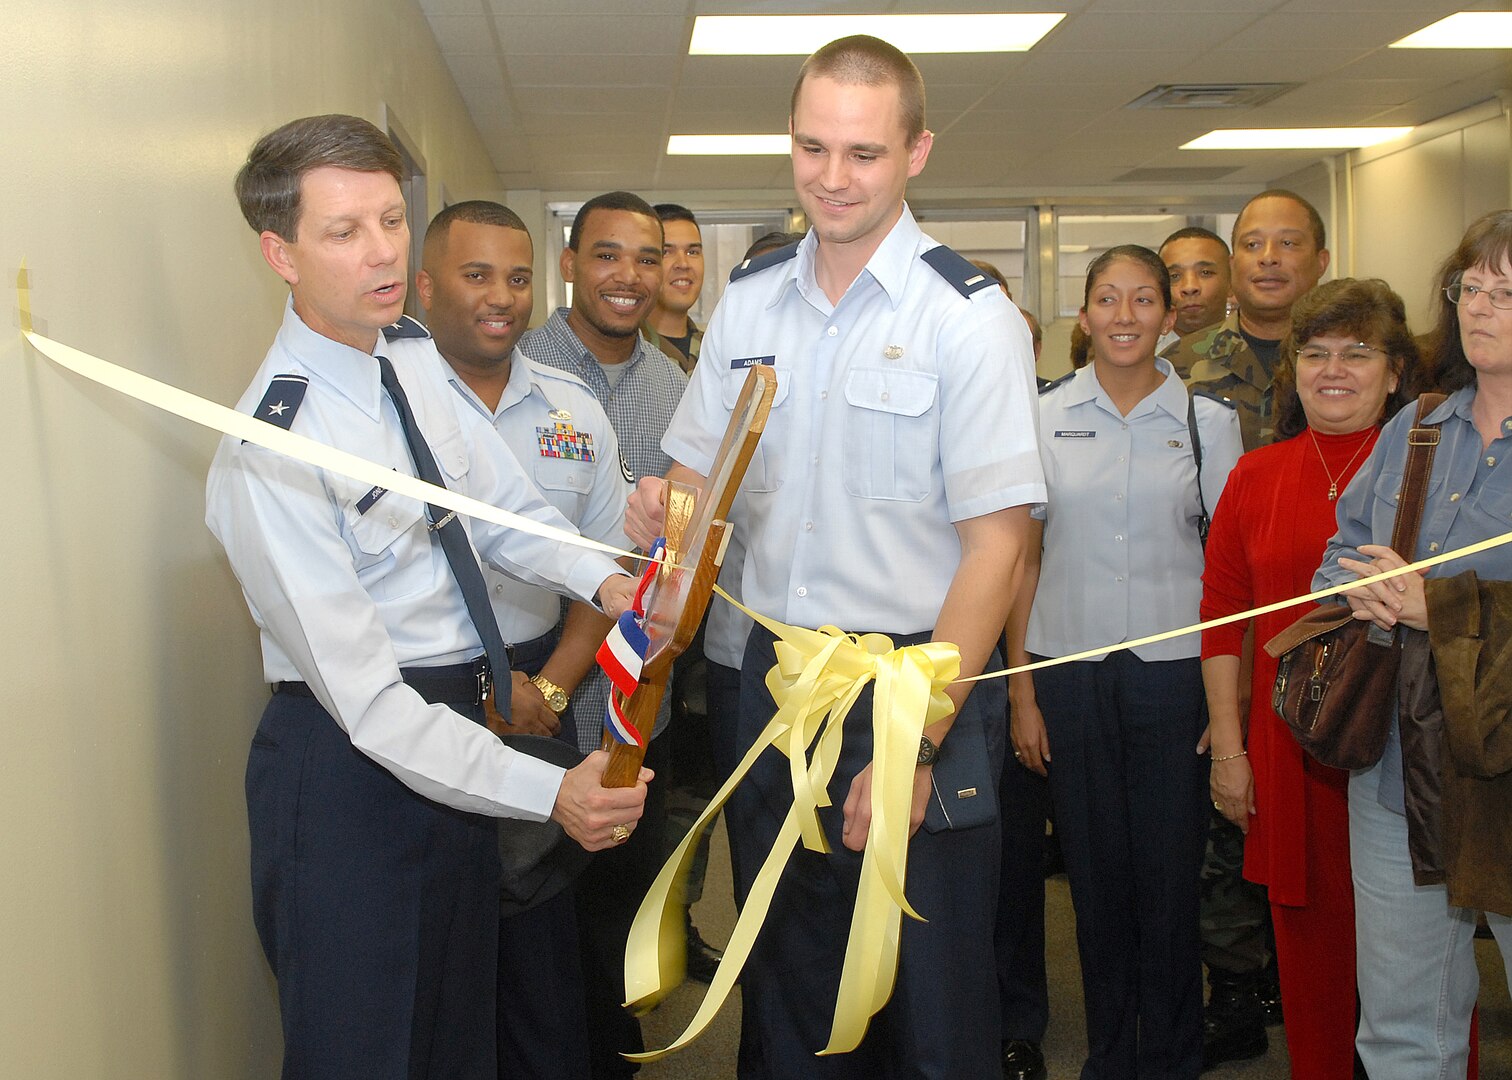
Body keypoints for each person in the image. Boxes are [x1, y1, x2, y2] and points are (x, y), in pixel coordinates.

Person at [627, 34, 1044, 1079]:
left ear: (916, 153)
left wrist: (919, 739)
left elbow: (1000, 543)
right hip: (762, 683)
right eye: (813, 147)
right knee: (787, 979)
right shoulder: (751, 298)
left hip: (912, 684)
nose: (832, 176)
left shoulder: (967, 318)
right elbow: (694, 477)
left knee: (932, 995)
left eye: (862, 152)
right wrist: (661, 508)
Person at [205, 114, 648, 1080]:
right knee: (369, 1051)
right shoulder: (271, 447)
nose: (383, 252)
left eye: (391, 220)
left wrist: (608, 579)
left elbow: (497, 508)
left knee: (456, 1042)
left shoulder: (406, 357)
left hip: (456, 744)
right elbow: (365, 702)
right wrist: (551, 790)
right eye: (344, 231)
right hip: (350, 774)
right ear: (280, 253)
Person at [387, 198, 636, 1080]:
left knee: (538, 940)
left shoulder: (574, 413)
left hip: (544, 682)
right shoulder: (380, 408)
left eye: (519, 277)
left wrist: (556, 687)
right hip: (415, 694)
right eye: (477, 274)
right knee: (429, 946)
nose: (502, 297)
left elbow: (598, 566)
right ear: (425, 285)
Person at [1008, 244, 1242, 1079]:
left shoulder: (1208, 424)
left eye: (1144, 300)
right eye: (1107, 299)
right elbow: (1020, 561)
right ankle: (1110, 1052)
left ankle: (1173, 1055)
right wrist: (1021, 692)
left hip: (1173, 674)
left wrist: (1227, 713)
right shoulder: (1042, 415)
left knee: (1171, 877)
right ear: (1084, 314)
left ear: (1169, 316)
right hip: (1068, 671)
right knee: (1097, 878)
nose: (1125, 316)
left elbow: (1229, 573)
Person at [1200, 278, 1416, 1079]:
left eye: (1357, 354)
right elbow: (1222, 616)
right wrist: (1229, 747)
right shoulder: (1255, 476)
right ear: (1292, 369)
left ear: (1395, 372)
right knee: (1313, 962)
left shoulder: (1429, 464)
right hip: (1290, 745)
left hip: (1403, 745)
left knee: (1420, 972)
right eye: (1316, 353)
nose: (1334, 370)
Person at [1316, 209, 1512, 1078]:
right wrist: (1360, 588)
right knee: (1401, 1030)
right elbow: (1337, 555)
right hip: (1404, 761)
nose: (1481, 307)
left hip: (1506, 763)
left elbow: (1450, 605)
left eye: (1507, 291)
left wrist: (1445, 607)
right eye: (1471, 287)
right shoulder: (1417, 426)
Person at [519, 190, 689, 1078]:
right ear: (571, 264)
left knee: (619, 911)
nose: (629, 276)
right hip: (530, 693)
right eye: (608, 255)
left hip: (633, 707)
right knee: (533, 920)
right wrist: (546, 681)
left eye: (647, 258)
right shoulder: (513, 363)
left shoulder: (674, 387)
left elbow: (691, 542)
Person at [1171, 190, 1331, 451]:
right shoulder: (1176, 366)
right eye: (1252, 245)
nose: (1268, 257)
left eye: (1288, 243)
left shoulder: (1353, 362)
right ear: (1233, 264)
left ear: (1321, 261)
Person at [1158, 226, 1232, 372]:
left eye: (1205, 273)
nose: (1189, 287)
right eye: (1174, 276)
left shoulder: (1254, 351)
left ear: (1231, 281)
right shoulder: (1144, 358)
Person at [642, 202, 705, 372]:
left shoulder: (717, 350)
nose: (683, 264)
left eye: (692, 252)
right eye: (666, 251)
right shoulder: (624, 351)